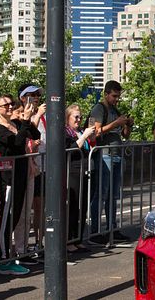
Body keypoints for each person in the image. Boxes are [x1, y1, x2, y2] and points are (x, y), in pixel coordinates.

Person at [0, 94, 40, 276]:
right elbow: (17, 143)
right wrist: (25, 122)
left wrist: (27, 120)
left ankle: (7, 256)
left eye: (12, 104)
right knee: (6, 218)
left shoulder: (17, 124)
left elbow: (35, 135)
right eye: (6, 105)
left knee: (15, 216)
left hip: (20, 176)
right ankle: (3, 260)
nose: (10, 107)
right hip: (7, 179)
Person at [88, 80, 132, 240]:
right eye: (114, 96)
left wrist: (127, 125)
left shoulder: (115, 109)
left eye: (118, 96)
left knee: (113, 194)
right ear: (106, 94)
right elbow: (95, 132)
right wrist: (116, 123)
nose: (116, 99)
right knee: (101, 193)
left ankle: (112, 228)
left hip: (116, 154)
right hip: (104, 155)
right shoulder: (99, 108)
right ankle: (95, 230)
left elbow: (125, 135)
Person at [17, 84, 46, 262]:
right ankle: (23, 247)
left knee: (40, 208)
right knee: (26, 210)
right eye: (32, 95)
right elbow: (28, 134)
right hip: (29, 165)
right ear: (23, 98)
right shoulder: (23, 116)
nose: (36, 98)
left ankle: (38, 243)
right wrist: (37, 116)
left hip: (43, 165)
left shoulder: (42, 116)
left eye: (37, 95)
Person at [64, 104, 95, 253]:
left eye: (80, 117)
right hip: (73, 172)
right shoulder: (66, 132)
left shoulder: (81, 131)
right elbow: (71, 148)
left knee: (83, 206)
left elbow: (90, 147)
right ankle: (69, 240)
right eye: (75, 117)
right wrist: (83, 136)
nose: (78, 119)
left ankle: (78, 238)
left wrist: (90, 136)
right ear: (68, 118)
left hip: (85, 171)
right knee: (73, 205)